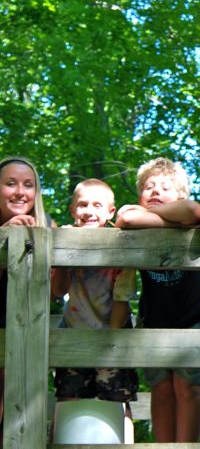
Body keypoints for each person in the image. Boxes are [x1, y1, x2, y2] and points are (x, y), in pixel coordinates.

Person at [116, 158, 200, 443]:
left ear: (180, 195)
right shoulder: (136, 218)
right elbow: (125, 218)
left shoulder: (187, 216)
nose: (155, 191)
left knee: (188, 386)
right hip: (154, 319)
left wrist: (151, 215)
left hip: (192, 318)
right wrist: (161, 217)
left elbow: (191, 210)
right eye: (149, 187)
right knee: (162, 388)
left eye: (165, 188)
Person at [51, 179, 138, 434]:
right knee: (69, 397)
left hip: (113, 334)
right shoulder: (67, 241)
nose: (89, 211)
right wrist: (63, 251)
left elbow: (121, 302)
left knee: (117, 400)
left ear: (110, 212)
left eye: (97, 205)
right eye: (82, 205)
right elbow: (58, 290)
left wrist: (109, 344)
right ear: (72, 211)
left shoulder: (121, 246)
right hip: (74, 333)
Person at [0, 156, 50, 426]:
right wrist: (4, 236)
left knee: (17, 418)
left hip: (28, 333)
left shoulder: (45, 226)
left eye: (28, 185)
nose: (20, 191)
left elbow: (58, 290)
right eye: (10, 183)